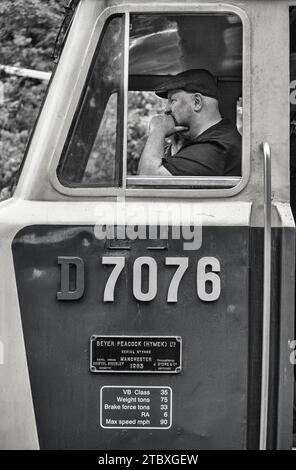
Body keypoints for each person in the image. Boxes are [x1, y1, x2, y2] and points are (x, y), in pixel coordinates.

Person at [137, 69, 241, 176]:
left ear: (197, 102)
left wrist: (158, 130)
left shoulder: (217, 146)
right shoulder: (217, 137)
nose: (166, 109)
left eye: (172, 100)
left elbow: (147, 179)